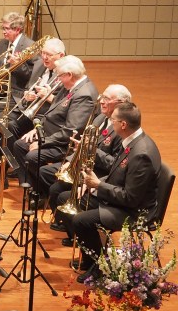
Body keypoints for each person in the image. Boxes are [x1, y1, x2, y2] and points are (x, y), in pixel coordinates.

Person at [57, 102, 160, 281]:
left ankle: (101, 267)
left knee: (82, 220)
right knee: (66, 199)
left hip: (134, 211)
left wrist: (98, 185)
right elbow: (117, 172)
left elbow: (131, 198)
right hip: (119, 199)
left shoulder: (141, 154)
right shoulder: (131, 141)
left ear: (123, 124)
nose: (110, 123)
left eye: (113, 120)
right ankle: (90, 259)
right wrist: (93, 184)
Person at [48, 84, 131, 234]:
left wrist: (92, 149)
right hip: (86, 166)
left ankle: (76, 232)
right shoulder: (100, 117)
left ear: (121, 103)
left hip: (99, 174)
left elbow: (115, 164)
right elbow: (84, 143)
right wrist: (71, 161)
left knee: (60, 193)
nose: (102, 101)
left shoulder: (121, 129)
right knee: (53, 185)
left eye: (107, 99)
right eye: (102, 96)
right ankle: (67, 224)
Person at [10, 55, 97, 194]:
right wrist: (37, 129)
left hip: (64, 143)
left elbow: (70, 131)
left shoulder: (84, 95)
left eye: (59, 75)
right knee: (19, 145)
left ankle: (43, 192)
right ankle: (32, 187)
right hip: (51, 134)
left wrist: (42, 142)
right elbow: (52, 111)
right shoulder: (68, 86)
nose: (58, 79)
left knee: (32, 156)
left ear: (69, 75)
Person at [0, 12, 35, 103]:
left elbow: (31, 75)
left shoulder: (30, 46)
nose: (3, 32)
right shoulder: (2, 44)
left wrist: (18, 64)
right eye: (3, 28)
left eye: (7, 29)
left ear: (17, 30)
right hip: (0, 88)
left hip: (17, 93)